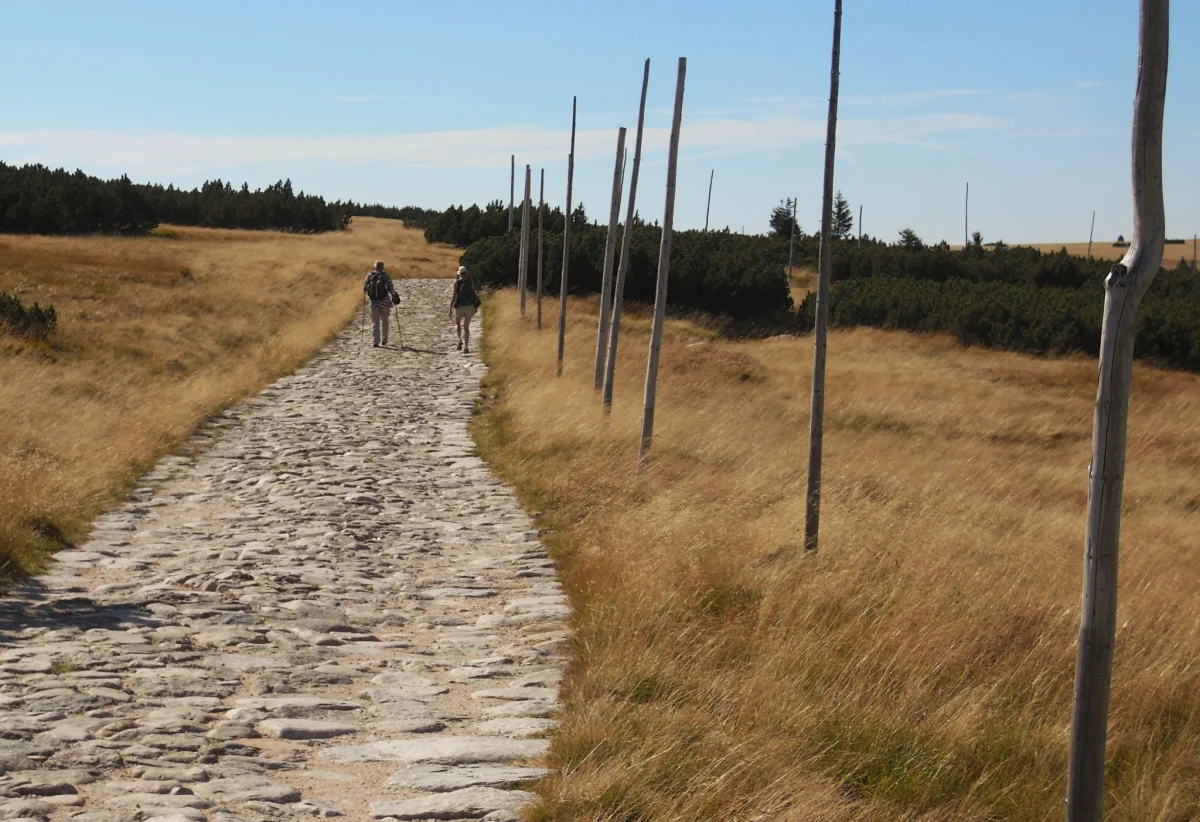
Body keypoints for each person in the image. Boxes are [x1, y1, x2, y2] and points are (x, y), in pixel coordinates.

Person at [363, 261, 399, 347]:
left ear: (374, 267)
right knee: (385, 321)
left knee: (375, 322)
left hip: (373, 303)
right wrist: (394, 296)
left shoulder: (369, 275)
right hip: (384, 302)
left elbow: (364, 289)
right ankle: (384, 339)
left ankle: (375, 342)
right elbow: (391, 288)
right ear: (382, 268)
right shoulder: (385, 276)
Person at [448, 265, 481, 354]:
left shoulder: (457, 283)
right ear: (467, 273)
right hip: (470, 307)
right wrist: (475, 306)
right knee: (466, 327)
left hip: (459, 307)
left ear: (459, 274)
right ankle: (466, 347)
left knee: (458, 324)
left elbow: (454, 296)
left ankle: (459, 340)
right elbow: (474, 295)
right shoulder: (470, 282)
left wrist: (450, 309)